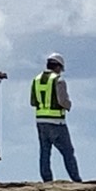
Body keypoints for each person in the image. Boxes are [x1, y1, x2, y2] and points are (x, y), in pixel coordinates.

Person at [33, 52, 81, 181]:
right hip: (57, 122)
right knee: (68, 152)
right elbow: (62, 101)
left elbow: (33, 101)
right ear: (58, 66)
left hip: (40, 121)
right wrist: (69, 105)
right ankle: (76, 179)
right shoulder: (58, 80)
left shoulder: (36, 79)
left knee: (45, 152)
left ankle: (47, 179)